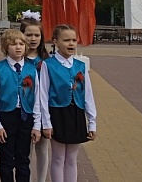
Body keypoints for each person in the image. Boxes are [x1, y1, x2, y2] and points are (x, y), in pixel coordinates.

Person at [39, 25, 97, 182]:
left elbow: (88, 94)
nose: (71, 44)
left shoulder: (80, 66)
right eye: (66, 40)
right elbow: (43, 95)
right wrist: (46, 123)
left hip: (76, 113)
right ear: (56, 42)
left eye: (74, 40)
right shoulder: (48, 65)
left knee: (72, 158)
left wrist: (92, 122)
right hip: (57, 113)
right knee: (58, 157)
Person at [0, 29, 41, 182]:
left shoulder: (31, 69)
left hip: (26, 116)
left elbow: (37, 98)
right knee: (6, 158)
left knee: (23, 158)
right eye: (13, 44)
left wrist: (37, 124)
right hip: (6, 117)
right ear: (5, 47)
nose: (18, 47)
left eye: (21, 44)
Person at [21, 14, 50, 181]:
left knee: (43, 150)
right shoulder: (18, 60)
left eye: (37, 35)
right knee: (25, 151)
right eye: (29, 35)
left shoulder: (46, 61)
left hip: (43, 111)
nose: (33, 39)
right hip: (24, 110)